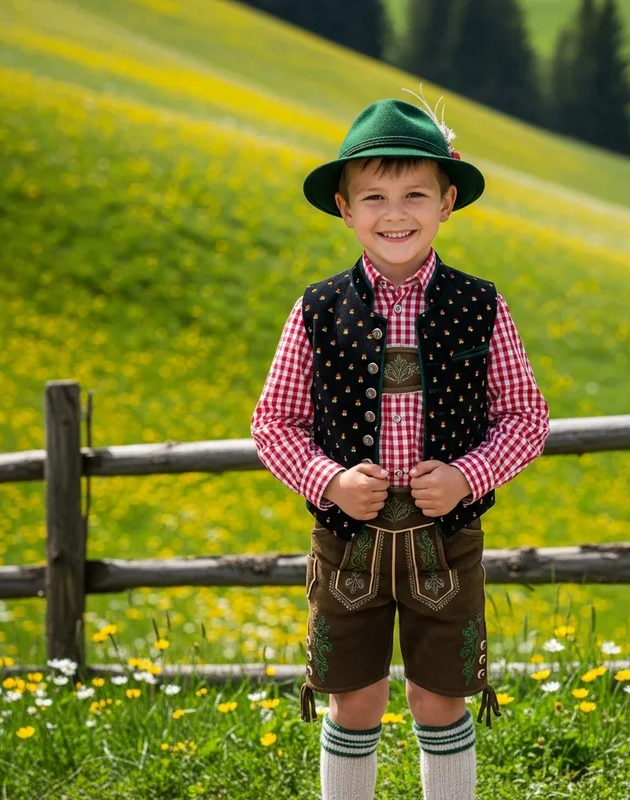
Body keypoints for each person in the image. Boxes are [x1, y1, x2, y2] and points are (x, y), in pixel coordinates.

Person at [251, 93, 550, 800]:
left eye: (415, 193)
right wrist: (327, 481)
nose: (395, 213)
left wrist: (468, 475)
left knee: (438, 698)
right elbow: (274, 423)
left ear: (447, 202)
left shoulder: (481, 304)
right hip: (344, 544)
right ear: (344, 207)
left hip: (446, 541)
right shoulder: (318, 309)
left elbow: (525, 417)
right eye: (375, 196)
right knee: (353, 699)